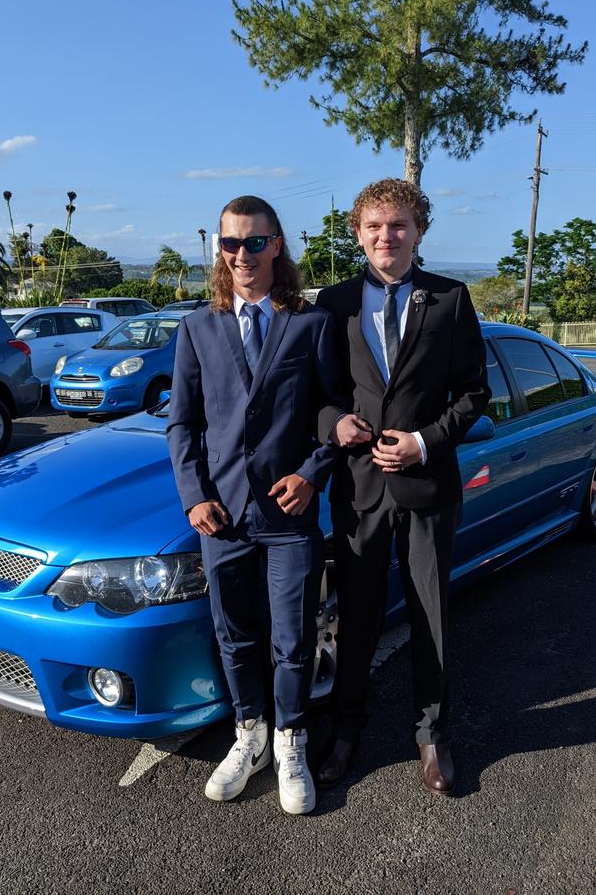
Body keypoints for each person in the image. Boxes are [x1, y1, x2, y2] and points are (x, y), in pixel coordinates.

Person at [167, 195, 344, 815]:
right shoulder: (196, 328)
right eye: (229, 243)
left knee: (293, 640)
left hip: (289, 517)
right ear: (219, 249)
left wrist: (312, 473)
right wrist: (195, 500)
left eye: (253, 242)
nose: (241, 255)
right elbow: (183, 425)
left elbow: (332, 414)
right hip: (222, 518)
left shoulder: (309, 324)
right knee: (235, 637)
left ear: (276, 247)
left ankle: (292, 740)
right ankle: (252, 735)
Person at [315, 178, 490, 796]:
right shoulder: (332, 304)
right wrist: (334, 422)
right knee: (356, 618)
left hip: (426, 482)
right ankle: (345, 730)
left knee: (431, 615)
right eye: (373, 226)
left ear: (419, 231)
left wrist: (425, 440)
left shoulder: (450, 298)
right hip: (359, 489)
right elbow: (319, 395)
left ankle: (431, 735)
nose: (385, 237)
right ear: (357, 233)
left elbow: (474, 395)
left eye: (398, 225)